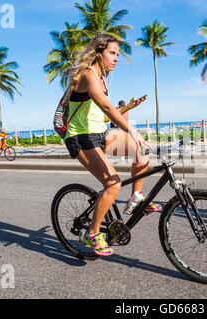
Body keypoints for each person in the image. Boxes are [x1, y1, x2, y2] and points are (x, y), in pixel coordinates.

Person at [63, 34, 160, 256]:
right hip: (80, 137)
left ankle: (136, 198)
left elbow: (104, 116)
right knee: (114, 184)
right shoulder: (87, 75)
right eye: (112, 53)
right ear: (98, 52)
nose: (117, 59)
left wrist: (129, 113)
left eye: (118, 54)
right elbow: (108, 108)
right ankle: (93, 233)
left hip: (100, 133)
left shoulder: (103, 78)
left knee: (141, 152)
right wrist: (132, 131)